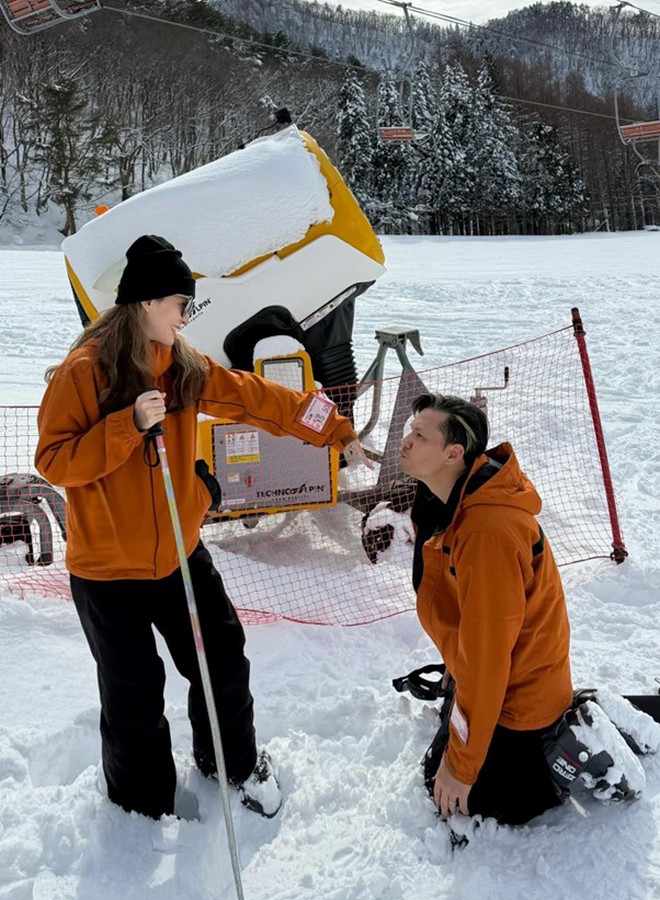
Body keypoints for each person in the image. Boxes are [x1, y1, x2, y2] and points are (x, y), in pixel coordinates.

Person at [35, 234, 369, 821]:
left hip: (180, 555)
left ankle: (230, 764)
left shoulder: (183, 366)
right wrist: (127, 425)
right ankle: (140, 809)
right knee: (134, 691)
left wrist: (334, 428)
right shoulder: (84, 372)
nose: (187, 316)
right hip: (109, 572)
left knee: (221, 660)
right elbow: (55, 461)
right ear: (144, 304)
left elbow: (263, 398)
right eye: (180, 304)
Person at [399, 392, 574, 826]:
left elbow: (488, 657)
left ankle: (570, 752)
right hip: (500, 680)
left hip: (522, 705)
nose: (405, 441)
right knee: (446, 753)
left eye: (419, 436)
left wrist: (461, 769)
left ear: (452, 454)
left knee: (449, 788)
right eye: (410, 431)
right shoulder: (455, 500)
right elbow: (472, 621)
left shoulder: (486, 531)